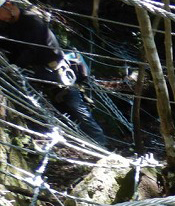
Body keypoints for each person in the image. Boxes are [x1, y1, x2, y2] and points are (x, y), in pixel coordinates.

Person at [0, 0, 106, 145]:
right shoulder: (12, 26)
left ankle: (102, 144)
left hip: (56, 71)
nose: (1, 18)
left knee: (77, 108)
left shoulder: (32, 20)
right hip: (39, 73)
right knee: (62, 112)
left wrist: (16, 65)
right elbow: (11, 45)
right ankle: (80, 143)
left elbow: (32, 48)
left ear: (9, 5)